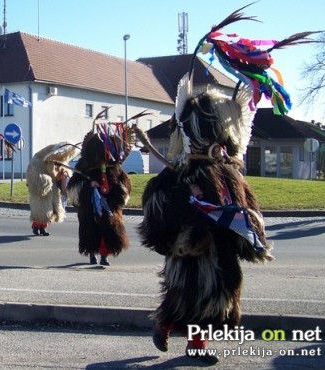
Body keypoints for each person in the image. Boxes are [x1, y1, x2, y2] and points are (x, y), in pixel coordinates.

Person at [134, 6, 312, 363]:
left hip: (220, 251)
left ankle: (196, 346)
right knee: (180, 294)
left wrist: (251, 231)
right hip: (189, 249)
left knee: (217, 299)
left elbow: (246, 205)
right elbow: (156, 200)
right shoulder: (180, 173)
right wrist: (187, 207)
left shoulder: (228, 172)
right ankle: (164, 325)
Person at [67, 116, 132, 266]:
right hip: (89, 204)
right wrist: (90, 186)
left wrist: (116, 190)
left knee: (108, 227)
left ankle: (104, 255)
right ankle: (91, 253)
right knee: (90, 227)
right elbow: (73, 187)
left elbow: (124, 183)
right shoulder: (84, 165)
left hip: (109, 202)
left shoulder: (113, 166)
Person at [26, 142, 78, 236]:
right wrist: (47, 181)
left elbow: (63, 171)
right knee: (42, 209)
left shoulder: (57, 160)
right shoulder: (37, 160)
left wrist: (64, 175)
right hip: (43, 191)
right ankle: (36, 226)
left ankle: (43, 228)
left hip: (53, 190)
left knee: (52, 210)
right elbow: (34, 177)